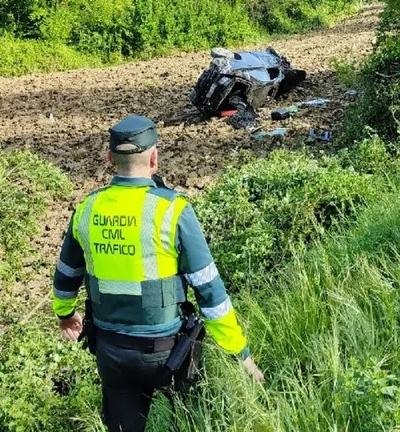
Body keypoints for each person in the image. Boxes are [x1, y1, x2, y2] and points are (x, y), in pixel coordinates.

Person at [51, 115, 264, 432]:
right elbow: (209, 288)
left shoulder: (87, 208)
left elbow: (66, 275)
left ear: (111, 159)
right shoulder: (173, 209)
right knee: (190, 421)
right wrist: (240, 353)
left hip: (111, 351)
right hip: (169, 351)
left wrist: (65, 315)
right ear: (154, 157)